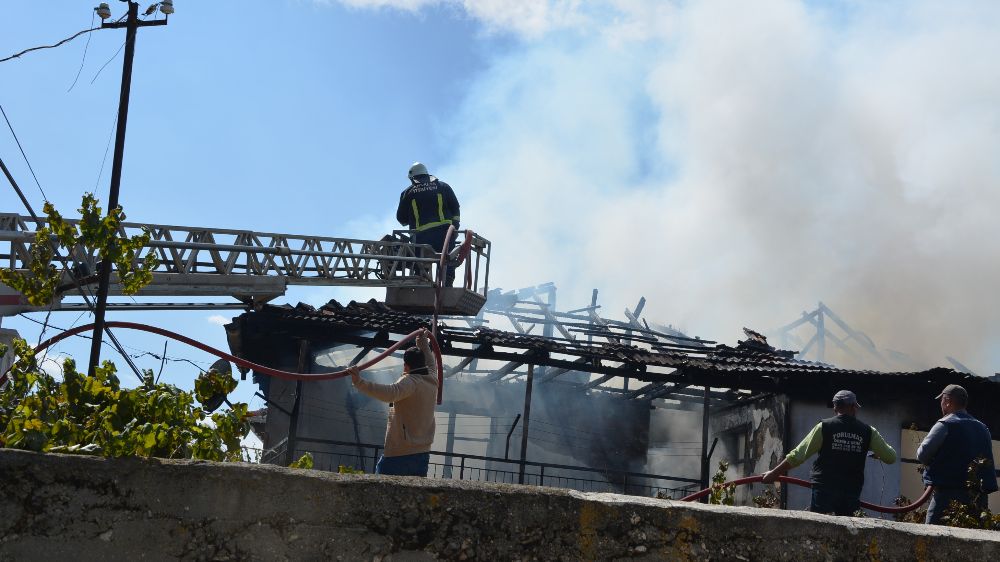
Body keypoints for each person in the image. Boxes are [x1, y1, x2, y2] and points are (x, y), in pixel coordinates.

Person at [761, 390, 897, 516]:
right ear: (853, 407)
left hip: (824, 491)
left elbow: (797, 456)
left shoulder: (824, 427)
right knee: (845, 534)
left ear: (835, 407)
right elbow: (891, 457)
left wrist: (773, 474)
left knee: (820, 530)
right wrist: (873, 449)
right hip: (850, 493)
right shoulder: (868, 432)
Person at [347, 328, 438, 476]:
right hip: (423, 453)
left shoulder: (411, 382)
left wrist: (359, 382)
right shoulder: (432, 378)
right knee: (413, 497)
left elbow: (390, 393)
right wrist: (422, 342)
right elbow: (430, 360)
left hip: (400, 453)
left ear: (406, 366)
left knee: (380, 491)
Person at [917, 384, 998, 525]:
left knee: (933, 540)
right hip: (977, 499)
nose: (941, 404)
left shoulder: (945, 424)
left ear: (947, 401)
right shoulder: (983, 428)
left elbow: (922, 455)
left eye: (942, 400)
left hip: (947, 496)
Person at [396, 162, 461, 286]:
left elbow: (401, 218)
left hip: (421, 238)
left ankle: (422, 286)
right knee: (447, 263)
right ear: (426, 174)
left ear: (412, 178)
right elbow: (455, 208)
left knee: (421, 268)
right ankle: (446, 287)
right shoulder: (443, 186)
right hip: (445, 234)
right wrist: (455, 227)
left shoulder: (408, 193)